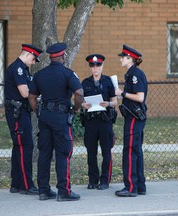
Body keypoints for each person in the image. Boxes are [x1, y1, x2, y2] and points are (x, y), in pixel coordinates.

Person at [29, 42, 84, 201]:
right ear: (63, 56)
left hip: (45, 117)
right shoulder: (68, 74)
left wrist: (38, 111)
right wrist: (76, 109)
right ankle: (64, 191)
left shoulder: (40, 74)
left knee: (44, 154)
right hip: (61, 119)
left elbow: (31, 97)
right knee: (63, 154)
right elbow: (79, 94)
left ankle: (44, 191)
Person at [4, 44, 43, 195]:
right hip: (17, 114)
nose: (34, 62)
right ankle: (27, 185)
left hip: (21, 113)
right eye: (33, 59)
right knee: (25, 147)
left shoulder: (24, 69)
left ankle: (16, 184)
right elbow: (25, 92)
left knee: (18, 147)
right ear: (27, 54)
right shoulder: (18, 68)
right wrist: (39, 96)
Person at [114, 44, 148, 197]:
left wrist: (122, 93)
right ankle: (140, 186)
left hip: (134, 117)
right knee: (136, 151)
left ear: (130, 59)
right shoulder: (130, 74)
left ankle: (131, 187)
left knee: (129, 151)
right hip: (133, 116)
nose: (120, 59)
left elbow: (140, 97)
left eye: (123, 57)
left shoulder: (135, 74)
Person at [81, 54, 117, 190]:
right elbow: (79, 101)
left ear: (102, 66)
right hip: (91, 121)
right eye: (92, 65)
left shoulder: (108, 81)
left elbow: (115, 102)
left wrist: (107, 103)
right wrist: (84, 105)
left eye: (98, 65)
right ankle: (92, 180)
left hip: (104, 121)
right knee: (91, 152)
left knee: (106, 151)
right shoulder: (85, 83)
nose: (95, 68)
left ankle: (104, 180)